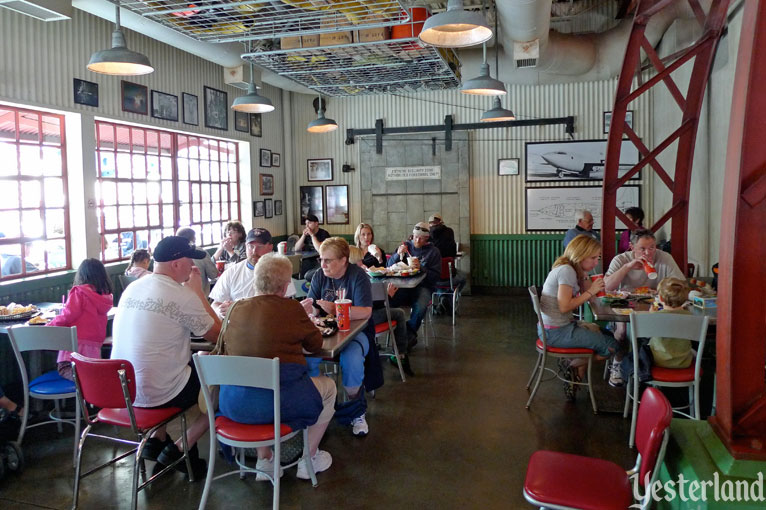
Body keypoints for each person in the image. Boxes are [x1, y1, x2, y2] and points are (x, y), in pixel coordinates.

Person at [216, 254, 336, 480]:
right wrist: (307, 318)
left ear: (256, 281)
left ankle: (266, 459)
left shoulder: (234, 309)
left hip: (233, 404)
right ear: (284, 286)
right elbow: (316, 344)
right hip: (278, 404)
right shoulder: (292, 309)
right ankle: (308, 459)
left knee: (255, 382)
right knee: (329, 388)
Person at [110, 235, 222, 478]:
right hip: (162, 392)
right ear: (176, 265)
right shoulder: (182, 295)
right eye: (190, 262)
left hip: (123, 390)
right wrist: (199, 294)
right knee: (221, 383)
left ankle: (156, 438)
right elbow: (219, 336)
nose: (194, 268)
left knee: (172, 365)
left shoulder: (132, 288)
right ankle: (181, 446)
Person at [300, 238, 382, 437]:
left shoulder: (358, 276)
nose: (323, 265)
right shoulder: (320, 276)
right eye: (321, 259)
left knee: (352, 359)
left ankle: (357, 411)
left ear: (344, 260)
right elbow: (313, 308)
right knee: (306, 358)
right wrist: (306, 310)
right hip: (325, 334)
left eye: (328, 260)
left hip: (356, 332)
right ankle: (317, 408)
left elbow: (365, 312)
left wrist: (336, 309)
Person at [540, 235, 621, 396]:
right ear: (580, 255)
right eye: (592, 258)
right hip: (556, 332)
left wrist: (585, 277)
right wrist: (592, 290)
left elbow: (589, 296)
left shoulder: (570, 268)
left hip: (555, 328)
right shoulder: (566, 271)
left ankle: (574, 380)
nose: (596, 263)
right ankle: (572, 366)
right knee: (613, 345)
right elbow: (565, 306)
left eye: (597, 258)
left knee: (606, 335)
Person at [348, 247, 413, 376]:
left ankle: (398, 353)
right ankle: (400, 355)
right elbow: (369, 306)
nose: (362, 264)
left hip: (357, 316)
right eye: (359, 262)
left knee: (394, 310)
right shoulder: (359, 277)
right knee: (399, 313)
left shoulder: (350, 276)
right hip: (364, 319)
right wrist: (387, 296)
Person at [51, 258, 114, 381]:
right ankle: (90, 385)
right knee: (90, 371)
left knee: (65, 369)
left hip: (75, 345)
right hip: (94, 347)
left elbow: (67, 315)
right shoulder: (105, 297)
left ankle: (84, 381)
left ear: (81, 275)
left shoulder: (79, 293)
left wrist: (49, 326)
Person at [210, 228, 295, 317]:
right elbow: (215, 304)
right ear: (245, 246)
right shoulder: (231, 273)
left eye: (260, 246)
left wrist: (240, 309)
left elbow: (286, 306)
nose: (254, 251)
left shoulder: (281, 271)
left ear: (270, 247)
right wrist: (220, 311)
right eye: (250, 246)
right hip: (237, 327)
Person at [386, 222, 442, 348]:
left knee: (421, 305)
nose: (417, 239)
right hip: (403, 286)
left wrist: (422, 268)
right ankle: (397, 332)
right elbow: (388, 266)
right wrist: (397, 255)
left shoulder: (434, 252)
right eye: (415, 236)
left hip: (423, 287)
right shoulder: (406, 246)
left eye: (421, 237)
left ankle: (407, 333)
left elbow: (435, 278)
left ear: (427, 238)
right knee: (387, 300)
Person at [604, 229, 685, 291]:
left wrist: (663, 290)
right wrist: (627, 267)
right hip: (627, 303)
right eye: (642, 249)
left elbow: (681, 285)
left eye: (652, 248)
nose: (648, 253)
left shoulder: (665, 257)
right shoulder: (621, 259)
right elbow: (606, 287)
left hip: (657, 303)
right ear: (632, 247)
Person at [648, 277, 693, 368]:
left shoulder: (654, 317)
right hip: (684, 362)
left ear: (660, 298)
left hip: (657, 361)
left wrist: (651, 315)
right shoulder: (690, 316)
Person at [176, 227, 217, 296]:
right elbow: (213, 275)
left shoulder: (173, 254)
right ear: (194, 238)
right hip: (201, 298)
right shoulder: (200, 252)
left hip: (180, 298)